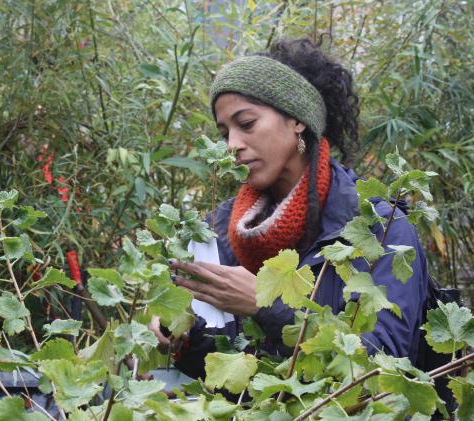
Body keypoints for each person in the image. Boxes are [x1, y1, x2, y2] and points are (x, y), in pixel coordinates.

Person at [150, 38, 430, 381]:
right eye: (225, 132)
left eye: (247, 124)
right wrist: (181, 338)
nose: (232, 145)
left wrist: (264, 304)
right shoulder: (221, 228)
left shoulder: (380, 228)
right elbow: (230, 378)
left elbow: (381, 367)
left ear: (297, 120)